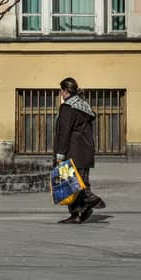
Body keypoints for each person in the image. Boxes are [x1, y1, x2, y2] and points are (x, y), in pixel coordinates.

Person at [53, 77, 102, 223]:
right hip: (85, 152)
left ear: (66, 91)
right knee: (81, 181)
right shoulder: (83, 106)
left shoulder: (68, 108)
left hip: (72, 152)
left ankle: (89, 200)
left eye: (61, 91)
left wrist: (60, 154)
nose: (60, 94)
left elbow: (64, 133)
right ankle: (80, 213)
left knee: (71, 184)